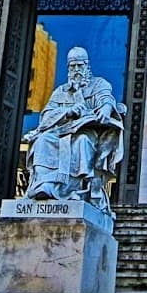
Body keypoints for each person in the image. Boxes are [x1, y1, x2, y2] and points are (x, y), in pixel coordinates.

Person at [24, 47, 126, 209]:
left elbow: (106, 99)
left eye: (80, 66)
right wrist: (67, 111)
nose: (76, 70)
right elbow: (46, 116)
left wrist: (106, 108)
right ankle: (44, 185)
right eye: (72, 67)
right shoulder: (61, 91)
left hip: (88, 133)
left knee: (82, 142)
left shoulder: (99, 84)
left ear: (87, 66)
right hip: (60, 132)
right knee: (43, 140)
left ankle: (76, 189)